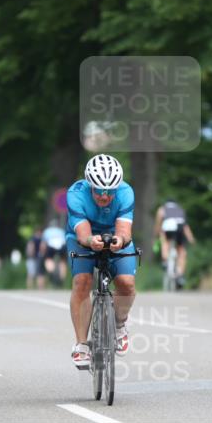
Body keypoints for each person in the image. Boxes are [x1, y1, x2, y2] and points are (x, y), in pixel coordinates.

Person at [67, 154, 138, 369]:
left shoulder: (126, 193)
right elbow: (83, 234)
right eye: (99, 190)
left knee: (127, 283)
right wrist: (91, 241)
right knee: (82, 281)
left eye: (110, 191)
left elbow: (125, 231)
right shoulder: (75, 194)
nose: (105, 196)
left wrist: (120, 240)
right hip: (82, 237)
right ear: (90, 185)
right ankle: (81, 345)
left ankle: (119, 325)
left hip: (114, 235)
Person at [153, 199, 195, 288]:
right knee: (181, 250)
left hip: (167, 226)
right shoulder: (180, 209)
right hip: (180, 227)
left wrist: (156, 233)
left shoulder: (162, 208)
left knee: (165, 241)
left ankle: (165, 260)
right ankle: (180, 275)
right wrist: (191, 239)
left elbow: (158, 222)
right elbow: (185, 226)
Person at [40, 222, 68, 288]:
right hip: (62, 246)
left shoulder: (47, 231)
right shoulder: (61, 231)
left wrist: (42, 253)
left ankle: (51, 272)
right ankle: (62, 277)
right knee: (63, 261)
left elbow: (43, 244)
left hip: (51, 245)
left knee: (48, 259)